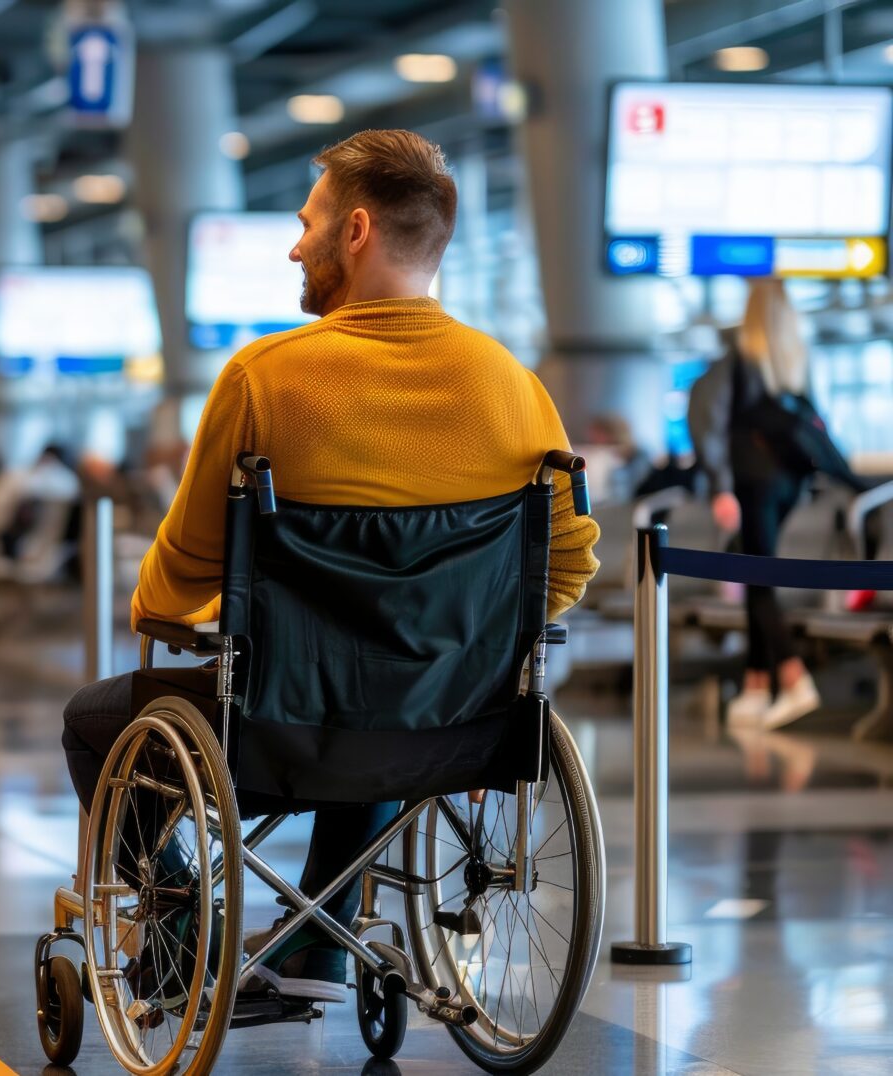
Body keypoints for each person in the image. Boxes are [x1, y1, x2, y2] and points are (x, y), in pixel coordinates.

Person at [59, 130, 600, 1005]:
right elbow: (566, 562)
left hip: (282, 729)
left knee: (93, 721)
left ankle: (180, 938)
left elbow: (190, 561)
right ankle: (320, 942)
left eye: (306, 222)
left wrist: (155, 611)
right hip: (457, 724)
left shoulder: (268, 380)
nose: (293, 243)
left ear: (355, 231)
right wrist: (459, 632)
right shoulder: (515, 387)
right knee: (387, 684)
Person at [688, 279, 871, 730]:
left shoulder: (739, 360)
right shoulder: (793, 362)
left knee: (758, 577)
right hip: (791, 482)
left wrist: (720, 487)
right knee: (757, 571)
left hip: (752, 481)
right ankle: (754, 684)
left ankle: (792, 678)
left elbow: (708, 422)